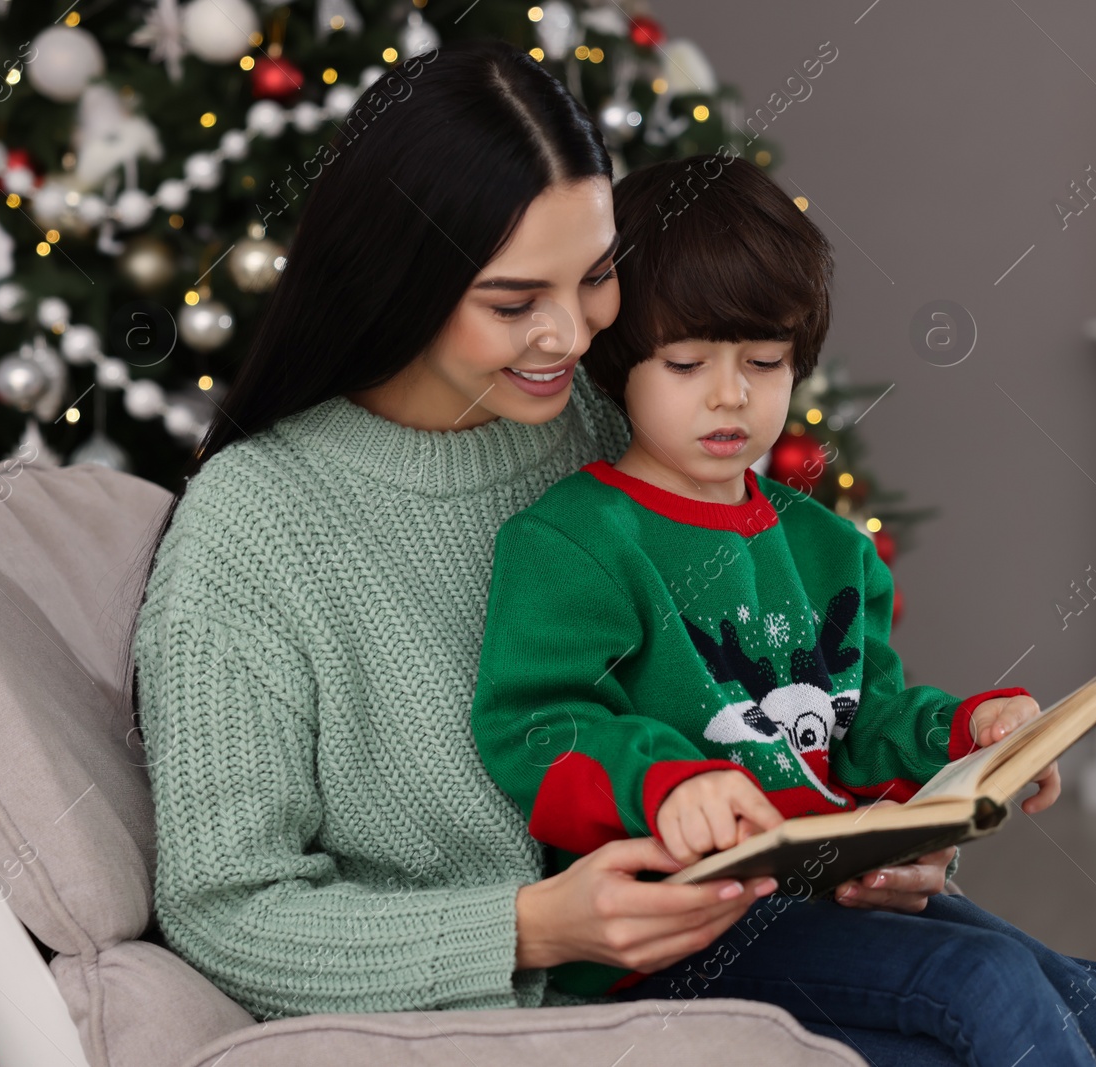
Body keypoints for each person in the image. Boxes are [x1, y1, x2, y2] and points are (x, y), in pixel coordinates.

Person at [127, 38, 980, 1063]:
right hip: (510, 1018)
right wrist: (532, 925)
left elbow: (761, 689)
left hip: (738, 923)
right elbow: (227, 910)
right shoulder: (254, 525)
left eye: (597, 276)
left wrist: (867, 834)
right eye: (513, 301)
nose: (573, 335)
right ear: (399, 279)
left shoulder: (600, 421)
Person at [469, 155, 1096, 1066]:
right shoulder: (578, 538)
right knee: (985, 988)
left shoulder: (829, 547)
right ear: (619, 364)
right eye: (687, 363)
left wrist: (971, 734)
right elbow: (535, 726)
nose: (731, 394)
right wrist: (670, 783)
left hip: (822, 892)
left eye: (764, 363)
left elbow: (868, 721)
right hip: (688, 926)